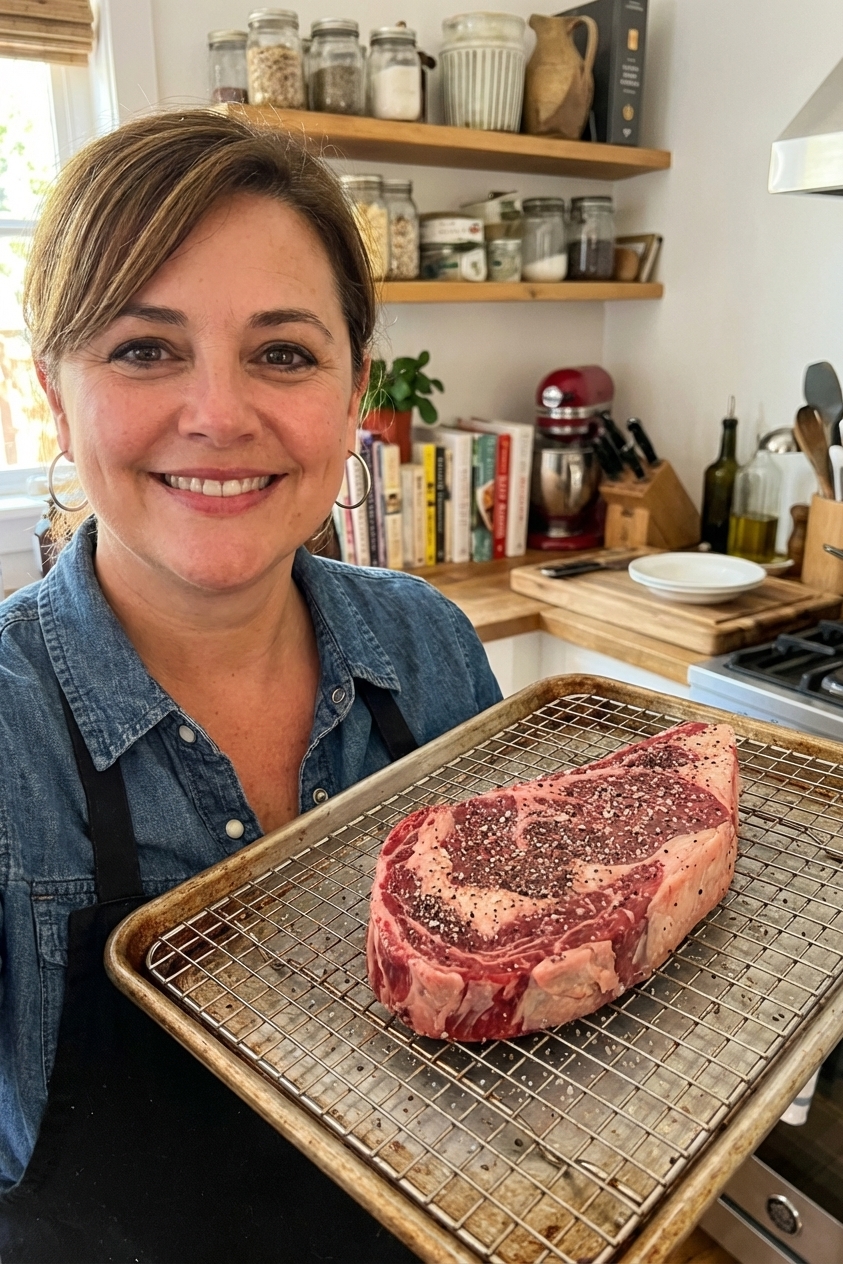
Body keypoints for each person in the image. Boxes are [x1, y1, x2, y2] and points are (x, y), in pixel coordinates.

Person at [0, 109, 502, 1263]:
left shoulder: (428, 647)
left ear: (348, 392)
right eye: (143, 348)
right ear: (54, 394)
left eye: (282, 351)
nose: (219, 416)